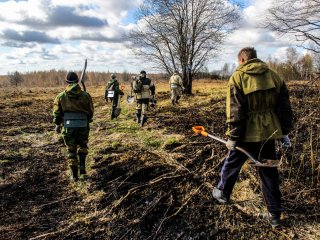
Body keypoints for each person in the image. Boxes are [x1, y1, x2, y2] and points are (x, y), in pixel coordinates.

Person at [212, 47, 293, 228]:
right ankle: (274, 215)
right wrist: (284, 132)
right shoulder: (274, 76)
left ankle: (222, 193)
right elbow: (285, 108)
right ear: (256, 59)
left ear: (241, 60)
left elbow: (235, 112)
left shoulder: (238, 77)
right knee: (268, 171)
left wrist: (233, 136)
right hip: (269, 133)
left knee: (232, 162)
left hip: (246, 134)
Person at [53, 72, 94, 181]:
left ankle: (74, 175)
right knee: (83, 146)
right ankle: (82, 167)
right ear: (77, 81)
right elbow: (90, 111)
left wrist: (57, 124)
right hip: (83, 125)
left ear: (66, 82)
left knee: (71, 150)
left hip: (68, 126)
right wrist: (87, 120)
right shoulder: (86, 95)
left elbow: (57, 113)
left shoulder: (61, 96)